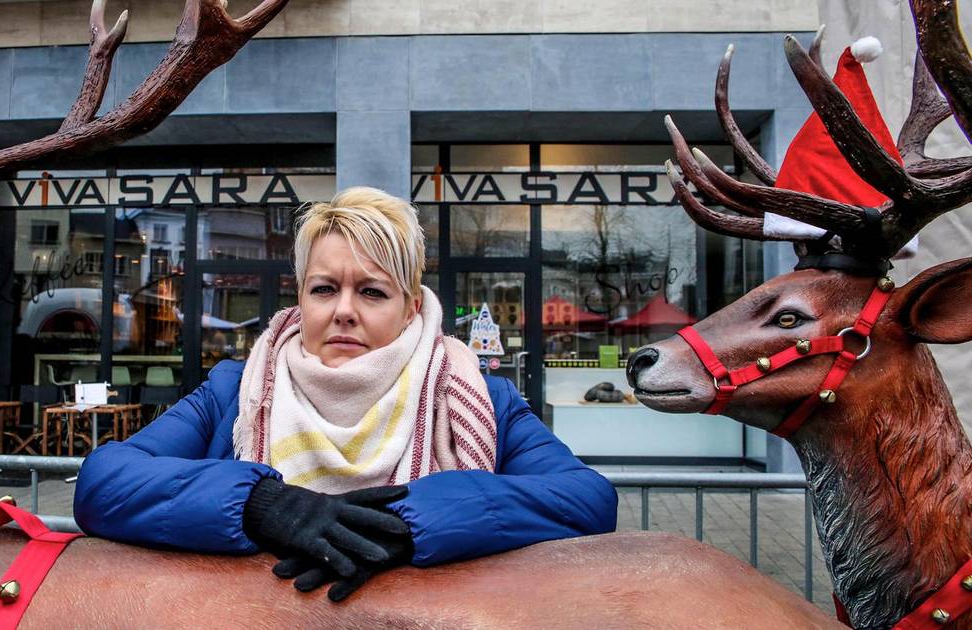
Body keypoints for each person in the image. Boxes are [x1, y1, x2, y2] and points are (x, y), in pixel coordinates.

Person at [74, 187, 617, 601]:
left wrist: (415, 521)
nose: (344, 311)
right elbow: (104, 484)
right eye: (325, 288)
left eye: (373, 291)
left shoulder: (481, 397)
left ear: (410, 307)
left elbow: (587, 500)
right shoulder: (235, 391)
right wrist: (260, 504)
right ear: (301, 297)